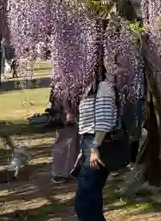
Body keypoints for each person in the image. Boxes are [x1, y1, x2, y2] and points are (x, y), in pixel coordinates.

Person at [74, 58, 118, 221]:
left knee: (84, 202)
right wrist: (83, 151)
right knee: (90, 200)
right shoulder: (89, 89)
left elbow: (104, 122)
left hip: (97, 143)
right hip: (89, 143)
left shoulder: (104, 87)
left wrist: (94, 148)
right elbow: (87, 123)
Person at [51, 91, 79, 183]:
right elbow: (64, 91)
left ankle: (72, 170)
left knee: (75, 141)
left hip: (73, 109)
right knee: (65, 142)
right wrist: (68, 111)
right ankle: (60, 173)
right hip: (66, 112)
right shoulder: (65, 78)